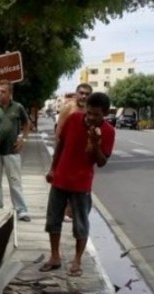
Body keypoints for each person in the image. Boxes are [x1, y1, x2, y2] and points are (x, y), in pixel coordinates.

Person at [41, 92, 116, 277]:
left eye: (96, 115)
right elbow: (61, 145)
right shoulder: (74, 119)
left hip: (82, 185)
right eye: (89, 113)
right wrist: (52, 168)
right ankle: (55, 257)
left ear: (105, 114)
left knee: (80, 225)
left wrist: (95, 144)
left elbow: (101, 162)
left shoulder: (108, 132)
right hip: (61, 178)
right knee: (53, 220)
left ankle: (77, 261)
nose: (91, 117)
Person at [0, 79, 31, 222]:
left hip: (12, 151)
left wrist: (23, 139)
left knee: (15, 182)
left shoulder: (18, 107)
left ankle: (21, 210)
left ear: (10, 93)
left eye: (3, 91)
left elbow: (26, 124)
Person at [55, 83, 93, 222]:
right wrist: (58, 153)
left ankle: (76, 210)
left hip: (83, 154)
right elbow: (59, 130)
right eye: (81, 93)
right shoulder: (68, 108)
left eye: (87, 94)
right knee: (65, 182)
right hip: (67, 151)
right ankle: (66, 210)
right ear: (76, 94)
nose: (83, 96)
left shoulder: (90, 110)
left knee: (80, 183)